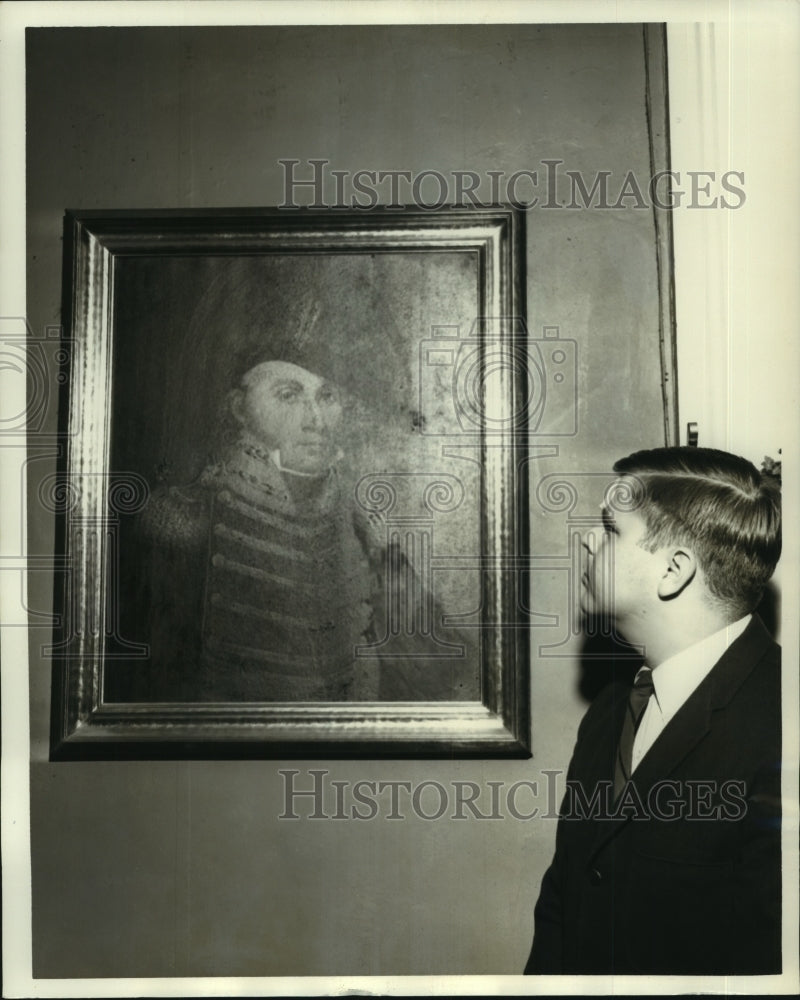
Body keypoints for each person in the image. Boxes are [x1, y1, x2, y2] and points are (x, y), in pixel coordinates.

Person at [524, 446, 782, 975]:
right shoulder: (611, 710)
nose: (589, 541)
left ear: (674, 570)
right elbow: (564, 905)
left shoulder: (782, 728)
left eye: (611, 529)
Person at [122, 357, 477, 702]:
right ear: (239, 408)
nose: (316, 421)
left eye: (326, 397)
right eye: (288, 396)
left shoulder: (364, 520)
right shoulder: (183, 517)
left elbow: (437, 662)